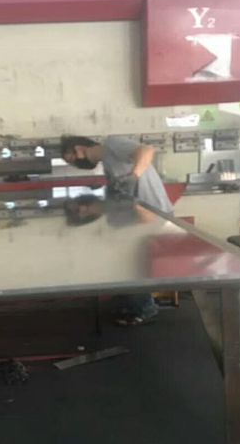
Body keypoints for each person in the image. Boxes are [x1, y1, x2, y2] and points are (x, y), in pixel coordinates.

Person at [60, 134, 173, 326]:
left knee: (136, 264)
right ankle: (133, 301)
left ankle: (145, 309)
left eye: (72, 159)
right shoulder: (108, 162)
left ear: (79, 148)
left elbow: (146, 151)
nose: (76, 164)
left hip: (153, 212)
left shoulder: (112, 144)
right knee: (126, 259)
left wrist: (134, 176)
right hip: (140, 215)